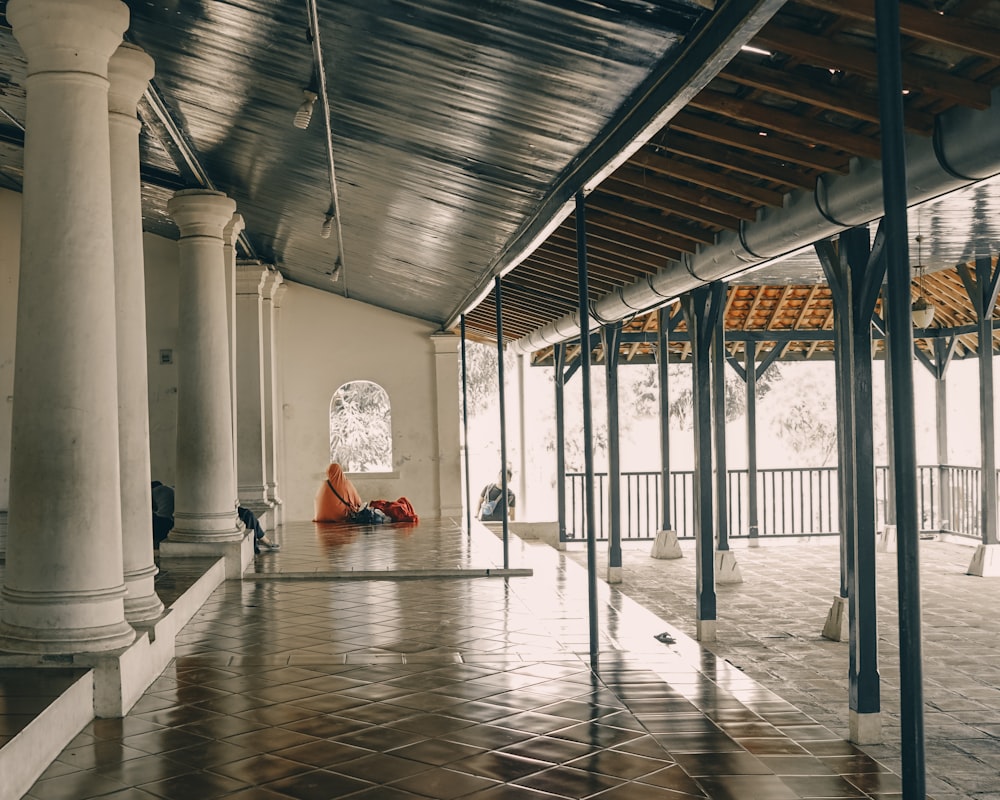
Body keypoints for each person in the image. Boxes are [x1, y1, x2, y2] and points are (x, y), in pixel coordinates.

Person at [150, 481, 279, 553]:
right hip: (209, 512)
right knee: (247, 514)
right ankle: (264, 542)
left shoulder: (160, 491)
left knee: (246, 515)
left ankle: (261, 543)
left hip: (203, 516)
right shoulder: (170, 489)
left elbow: (164, 516)